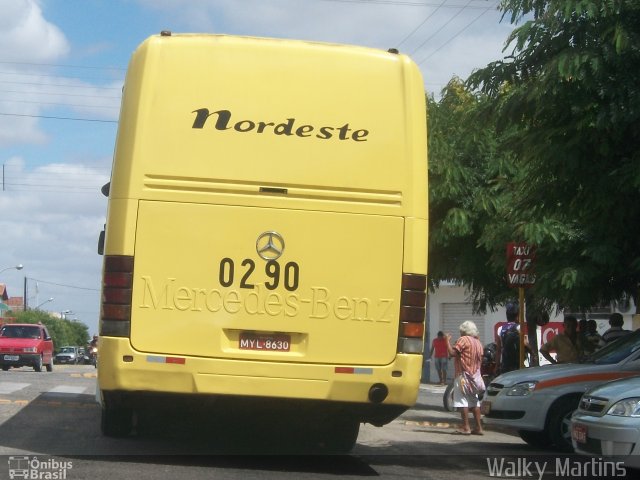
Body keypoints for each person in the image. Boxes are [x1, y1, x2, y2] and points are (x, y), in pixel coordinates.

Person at [446, 321, 484, 435]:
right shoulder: (478, 343)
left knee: (462, 402)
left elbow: (453, 353)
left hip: (463, 375)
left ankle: (466, 427)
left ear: (463, 331)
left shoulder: (463, 340)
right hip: (475, 377)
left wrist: (447, 341)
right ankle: (478, 427)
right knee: (474, 402)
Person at [495, 302, 526, 374]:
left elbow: (498, 350)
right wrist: (533, 354)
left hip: (505, 364)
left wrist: (497, 366)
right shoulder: (519, 327)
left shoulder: (500, 329)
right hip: (517, 364)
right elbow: (525, 343)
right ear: (517, 316)